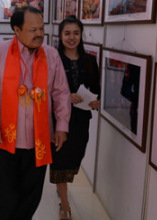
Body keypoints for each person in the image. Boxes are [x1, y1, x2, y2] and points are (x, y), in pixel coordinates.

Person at [0, 6, 71, 220]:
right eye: (32, 30)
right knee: (5, 192)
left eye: (41, 28)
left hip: (39, 137)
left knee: (32, 193)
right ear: (16, 30)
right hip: (6, 137)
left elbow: (61, 92)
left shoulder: (51, 54)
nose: (39, 34)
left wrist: (62, 126)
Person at [50, 16, 100, 220]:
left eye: (76, 33)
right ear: (60, 36)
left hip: (81, 120)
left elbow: (96, 89)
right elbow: (45, 89)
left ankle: (62, 189)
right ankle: (65, 203)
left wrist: (96, 102)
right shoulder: (53, 59)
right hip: (58, 119)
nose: (72, 38)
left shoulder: (90, 61)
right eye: (67, 33)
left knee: (74, 157)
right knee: (59, 159)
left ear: (81, 35)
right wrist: (65, 95)